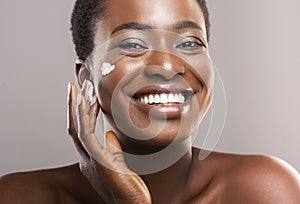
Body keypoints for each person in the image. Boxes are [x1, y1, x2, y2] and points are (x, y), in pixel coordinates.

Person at [1, 0, 300, 203]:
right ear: (86, 77)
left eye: (189, 43)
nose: (168, 66)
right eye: (132, 44)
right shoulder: (18, 196)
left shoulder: (265, 190)